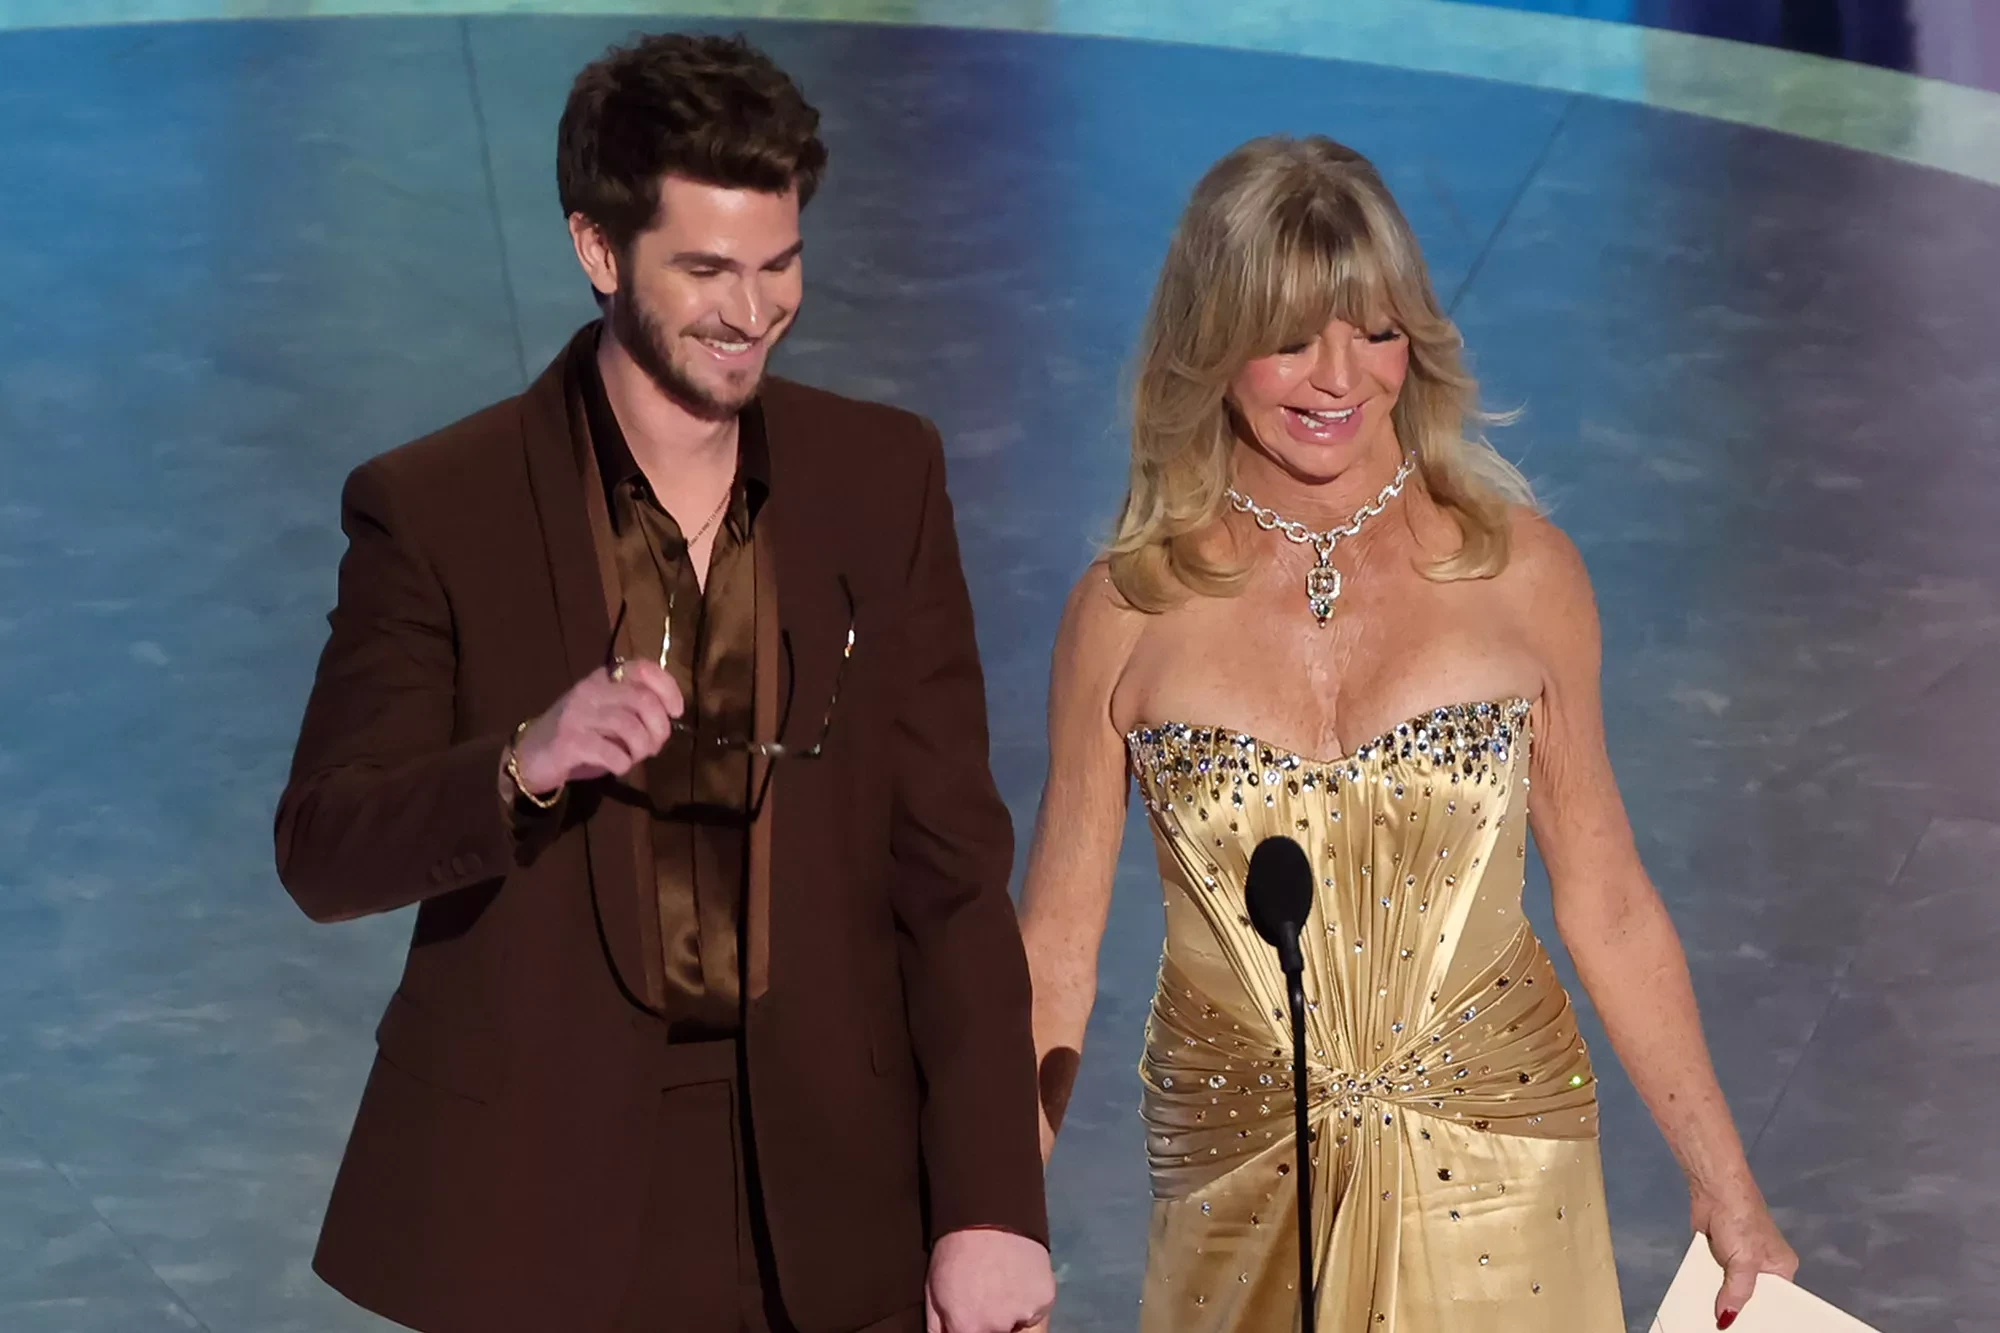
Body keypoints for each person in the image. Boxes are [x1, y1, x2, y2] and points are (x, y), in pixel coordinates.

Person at [275, 32, 1053, 1333]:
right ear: (598, 250)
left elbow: (954, 877)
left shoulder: (883, 480)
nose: (751, 312)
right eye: (705, 270)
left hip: (830, 1190)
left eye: (779, 265)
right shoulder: (436, 508)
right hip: (538, 1199)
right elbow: (323, 848)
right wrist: (523, 761)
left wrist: (991, 1205)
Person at [1018, 136, 1796, 1332]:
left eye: (1373, 330)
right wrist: (993, 1212)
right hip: (1241, 1173)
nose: (1338, 377)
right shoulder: (1125, 612)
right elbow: (1057, 947)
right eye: (1287, 338)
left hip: (1499, 1169)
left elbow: (1606, 896)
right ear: (1207, 340)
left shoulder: (1519, 573)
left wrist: (1724, 1183)